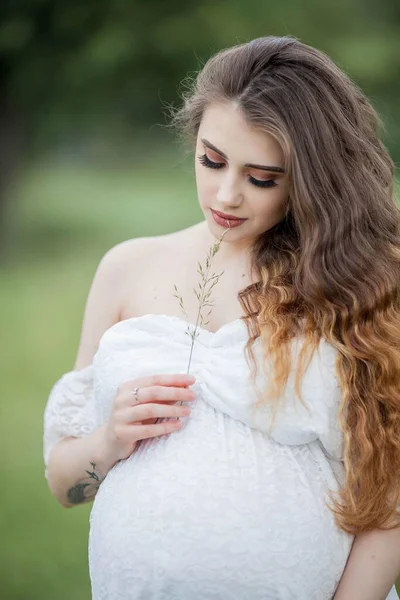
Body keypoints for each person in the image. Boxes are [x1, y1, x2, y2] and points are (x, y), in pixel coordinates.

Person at [43, 35, 400, 599]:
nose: (226, 194)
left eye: (261, 178)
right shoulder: (127, 267)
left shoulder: (357, 286)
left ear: (311, 180)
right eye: (211, 160)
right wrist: (110, 439)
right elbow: (65, 486)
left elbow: (390, 501)